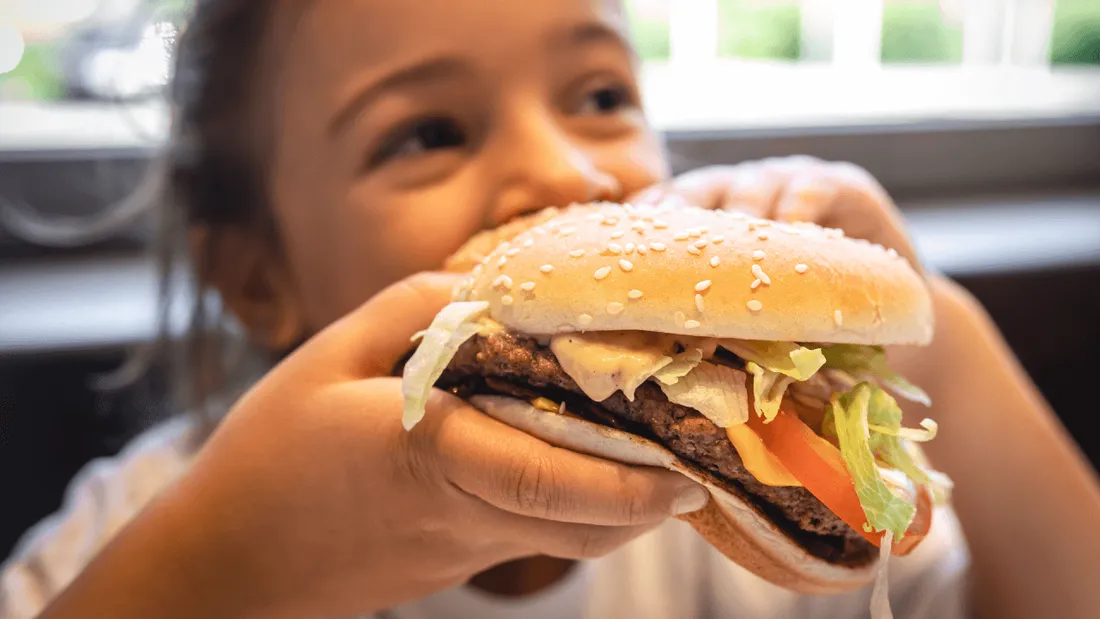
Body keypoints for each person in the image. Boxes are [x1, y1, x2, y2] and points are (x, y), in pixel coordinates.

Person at [3, 1, 1099, 618]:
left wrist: (927, 332)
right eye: (427, 133)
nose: (570, 170)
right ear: (256, 278)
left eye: (601, 96)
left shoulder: (769, 484)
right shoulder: (156, 511)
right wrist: (225, 566)